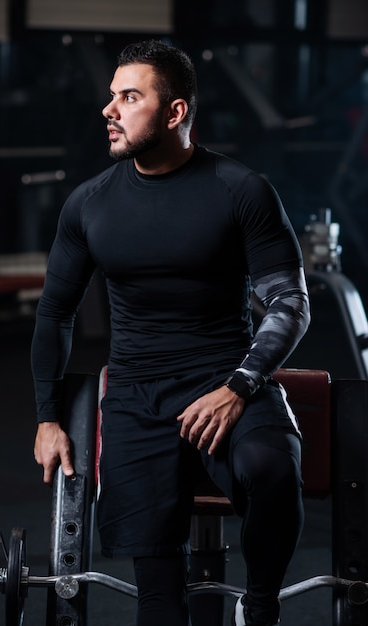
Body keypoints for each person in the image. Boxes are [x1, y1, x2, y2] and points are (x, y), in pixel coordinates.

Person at [32, 39, 310, 626]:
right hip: (137, 397)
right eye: (111, 97)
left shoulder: (241, 190)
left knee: (272, 470)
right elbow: (54, 311)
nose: (109, 110)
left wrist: (239, 386)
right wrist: (48, 417)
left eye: (129, 97)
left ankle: (259, 606)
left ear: (175, 112)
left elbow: (290, 303)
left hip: (226, 382)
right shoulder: (89, 204)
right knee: (159, 600)